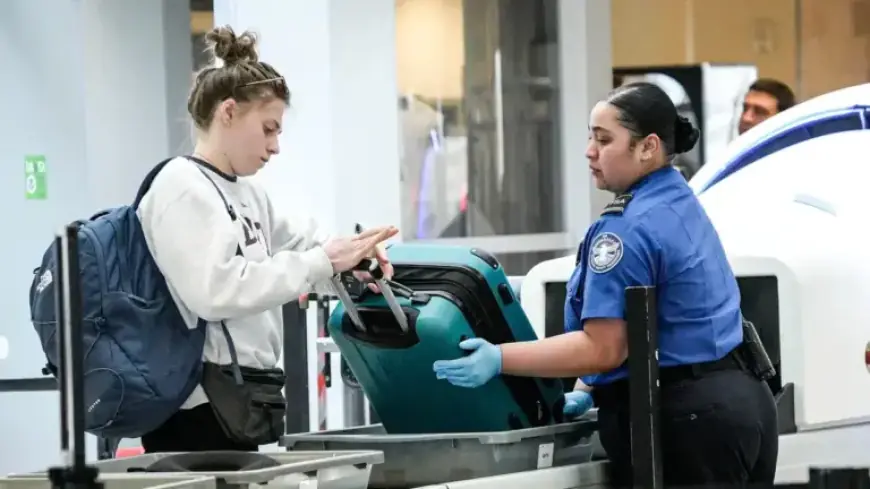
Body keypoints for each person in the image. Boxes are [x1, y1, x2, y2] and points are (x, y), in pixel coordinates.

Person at [433, 82, 778, 487]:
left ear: (647, 147)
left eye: (603, 139)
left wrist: (499, 357)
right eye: (590, 138)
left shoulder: (624, 230)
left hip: (690, 422)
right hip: (744, 402)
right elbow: (655, 322)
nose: (589, 151)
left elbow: (604, 347)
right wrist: (589, 388)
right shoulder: (676, 199)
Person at [136, 25, 398, 453]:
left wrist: (354, 261)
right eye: (268, 129)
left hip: (242, 395)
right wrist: (323, 261)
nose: (275, 146)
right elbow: (217, 291)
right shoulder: (181, 187)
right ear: (228, 112)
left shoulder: (247, 194)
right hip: (195, 406)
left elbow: (302, 246)